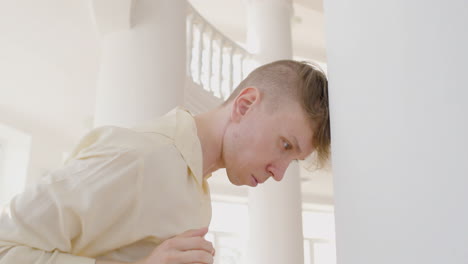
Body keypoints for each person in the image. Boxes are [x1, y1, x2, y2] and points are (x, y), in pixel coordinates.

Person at [0, 60, 330, 264]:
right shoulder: (139, 156)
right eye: (285, 145)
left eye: (294, 160)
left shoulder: (195, 183)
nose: (279, 172)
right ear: (245, 106)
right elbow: (5, 248)